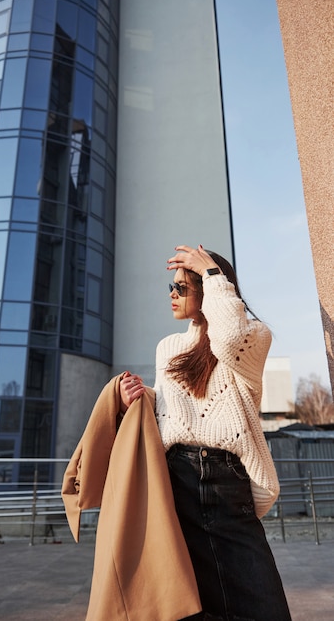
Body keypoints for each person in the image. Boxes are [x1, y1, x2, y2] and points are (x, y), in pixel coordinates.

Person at [120, 244, 292, 621]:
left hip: (225, 481)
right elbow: (173, 412)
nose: (172, 294)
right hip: (175, 479)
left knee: (264, 607)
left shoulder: (253, 337)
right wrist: (139, 396)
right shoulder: (169, 347)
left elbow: (228, 338)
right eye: (172, 286)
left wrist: (212, 271)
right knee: (189, 604)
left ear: (210, 288)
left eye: (183, 287)